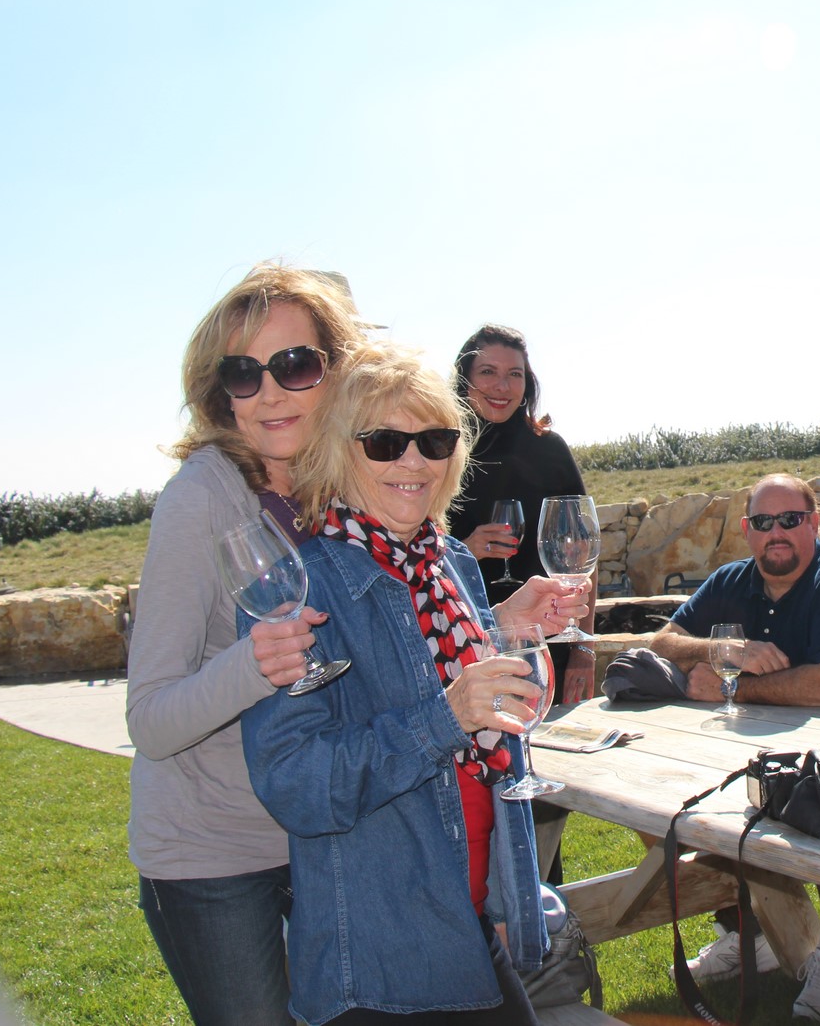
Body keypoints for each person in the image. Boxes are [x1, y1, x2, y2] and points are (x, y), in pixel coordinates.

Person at [240, 342, 589, 1025]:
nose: (413, 461)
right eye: (385, 441)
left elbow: (432, 666)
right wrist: (444, 716)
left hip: (468, 920)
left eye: (433, 440)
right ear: (341, 450)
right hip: (380, 959)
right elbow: (298, 785)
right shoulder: (299, 590)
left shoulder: (447, 561)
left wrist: (505, 629)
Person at [126, 263, 366, 1026]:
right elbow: (152, 719)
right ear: (219, 389)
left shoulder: (343, 489)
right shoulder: (201, 499)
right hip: (208, 854)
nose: (269, 392)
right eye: (244, 372)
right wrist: (253, 665)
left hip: (318, 832)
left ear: (335, 369)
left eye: (295, 365)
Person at [649, 473, 820, 1022]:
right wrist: (725, 647)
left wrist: (728, 684)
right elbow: (663, 641)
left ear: (815, 524)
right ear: (746, 531)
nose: (777, 533)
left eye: (791, 520)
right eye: (763, 522)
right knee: (663, 806)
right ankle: (752, 935)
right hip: (767, 745)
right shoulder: (733, 580)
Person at [447, 325, 596, 704]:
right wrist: (467, 549)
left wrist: (584, 650)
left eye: (514, 374)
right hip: (463, 645)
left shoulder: (548, 450)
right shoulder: (438, 449)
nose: (502, 386)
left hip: (549, 643)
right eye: (488, 372)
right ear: (464, 380)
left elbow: (585, 556)